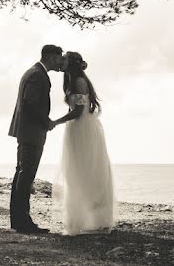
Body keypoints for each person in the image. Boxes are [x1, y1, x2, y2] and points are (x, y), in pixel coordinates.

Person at [51, 51, 116, 235]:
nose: (61, 62)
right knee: (76, 172)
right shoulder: (72, 80)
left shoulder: (79, 82)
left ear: (71, 64)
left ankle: (94, 219)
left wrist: (55, 121)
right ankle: (82, 217)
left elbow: (78, 111)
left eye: (64, 60)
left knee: (85, 171)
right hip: (77, 128)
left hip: (83, 129)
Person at [8, 44, 63, 234]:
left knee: (22, 174)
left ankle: (18, 220)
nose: (60, 61)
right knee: (26, 175)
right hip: (32, 131)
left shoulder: (33, 72)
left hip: (28, 131)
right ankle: (23, 221)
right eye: (58, 57)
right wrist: (46, 121)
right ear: (50, 56)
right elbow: (30, 103)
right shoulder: (37, 75)